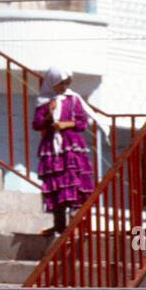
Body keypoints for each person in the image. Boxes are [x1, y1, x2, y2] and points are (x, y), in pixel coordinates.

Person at [32, 65, 100, 236]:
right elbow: (36, 124)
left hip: (71, 146)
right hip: (53, 148)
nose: (63, 88)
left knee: (73, 180)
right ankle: (59, 225)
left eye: (66, 83)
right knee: (56, 183)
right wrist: (49, 115)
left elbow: (82, 122)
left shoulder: (73, 99)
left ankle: (75, 224)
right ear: (52, 83)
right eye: (60, 84)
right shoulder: (44, 101)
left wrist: (65, 124)